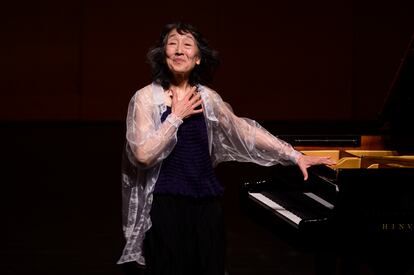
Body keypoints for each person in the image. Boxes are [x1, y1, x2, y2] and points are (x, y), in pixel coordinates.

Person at [117, 22, 336, 275]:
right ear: (163, 54)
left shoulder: (208, 98)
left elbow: (244, 131)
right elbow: (142, 156)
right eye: (172, 44)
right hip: (165, 206)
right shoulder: (146, 98)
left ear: (197, 59)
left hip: (206, 205)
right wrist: (176, 116)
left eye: (187, 45)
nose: (179, 50)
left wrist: (294, 155)